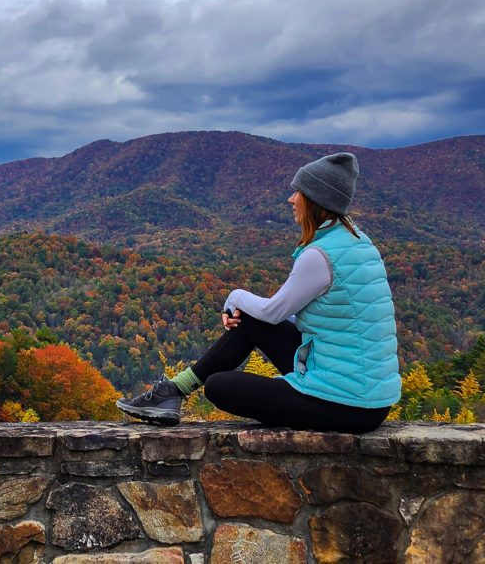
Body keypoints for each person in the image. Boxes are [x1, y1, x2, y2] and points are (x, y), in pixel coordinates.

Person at [116, 152, 400, 434]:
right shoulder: (357, 242)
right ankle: (174, 391)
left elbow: (275, 311)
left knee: (218, 386)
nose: (291, 199)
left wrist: (234, 297)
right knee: (251, 320)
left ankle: (174, 392)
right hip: (362, 392)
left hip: (346, 404)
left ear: (316, 200)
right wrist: (245, 313)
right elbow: (279, 314)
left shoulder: (320, 256)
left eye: (298, 192)